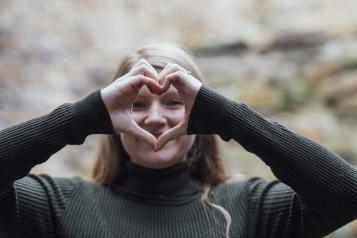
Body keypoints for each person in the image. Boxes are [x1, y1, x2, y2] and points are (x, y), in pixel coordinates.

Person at [0, 42, 356, 238]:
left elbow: (346, 195)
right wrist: (82, 116)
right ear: (111, 118)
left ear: (201, 114)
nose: (155, 118)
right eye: (137, 104)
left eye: (175, 103)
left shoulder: (252, 207)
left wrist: (227, 116)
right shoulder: (54, 205)